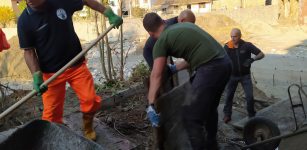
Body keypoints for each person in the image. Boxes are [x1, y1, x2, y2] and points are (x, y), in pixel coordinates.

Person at [17, 0, 122, 141]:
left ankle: (88, 126)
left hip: (76, 66)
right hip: (51, 74)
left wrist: (107, 12)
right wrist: (36, 75)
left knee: (90, 100)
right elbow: (28, 51)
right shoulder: (24, 21)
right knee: (51, 115)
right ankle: (54, 138)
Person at [143, 12, 232, 150]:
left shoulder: (161, 41)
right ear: (163, 21)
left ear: (150, 33)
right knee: (209, 110)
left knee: (191, 117)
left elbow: (156, 75)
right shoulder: (183, 27)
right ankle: (212, 146)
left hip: (211, 68)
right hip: (225, 63)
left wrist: (150, 105)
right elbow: (197, 53)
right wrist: (174, 68)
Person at [223, 28, 265, 123]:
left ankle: (251, 115)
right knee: (229, 96)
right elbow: (222, 59)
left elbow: (261, 54)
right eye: (231, 36)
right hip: (232, 76)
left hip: (245, 76)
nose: (233, 39)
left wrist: (252, 59)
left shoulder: (247, 45)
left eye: (235, 36)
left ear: (240, 36)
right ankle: (227, 114)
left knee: (249, 96)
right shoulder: (227, 46)